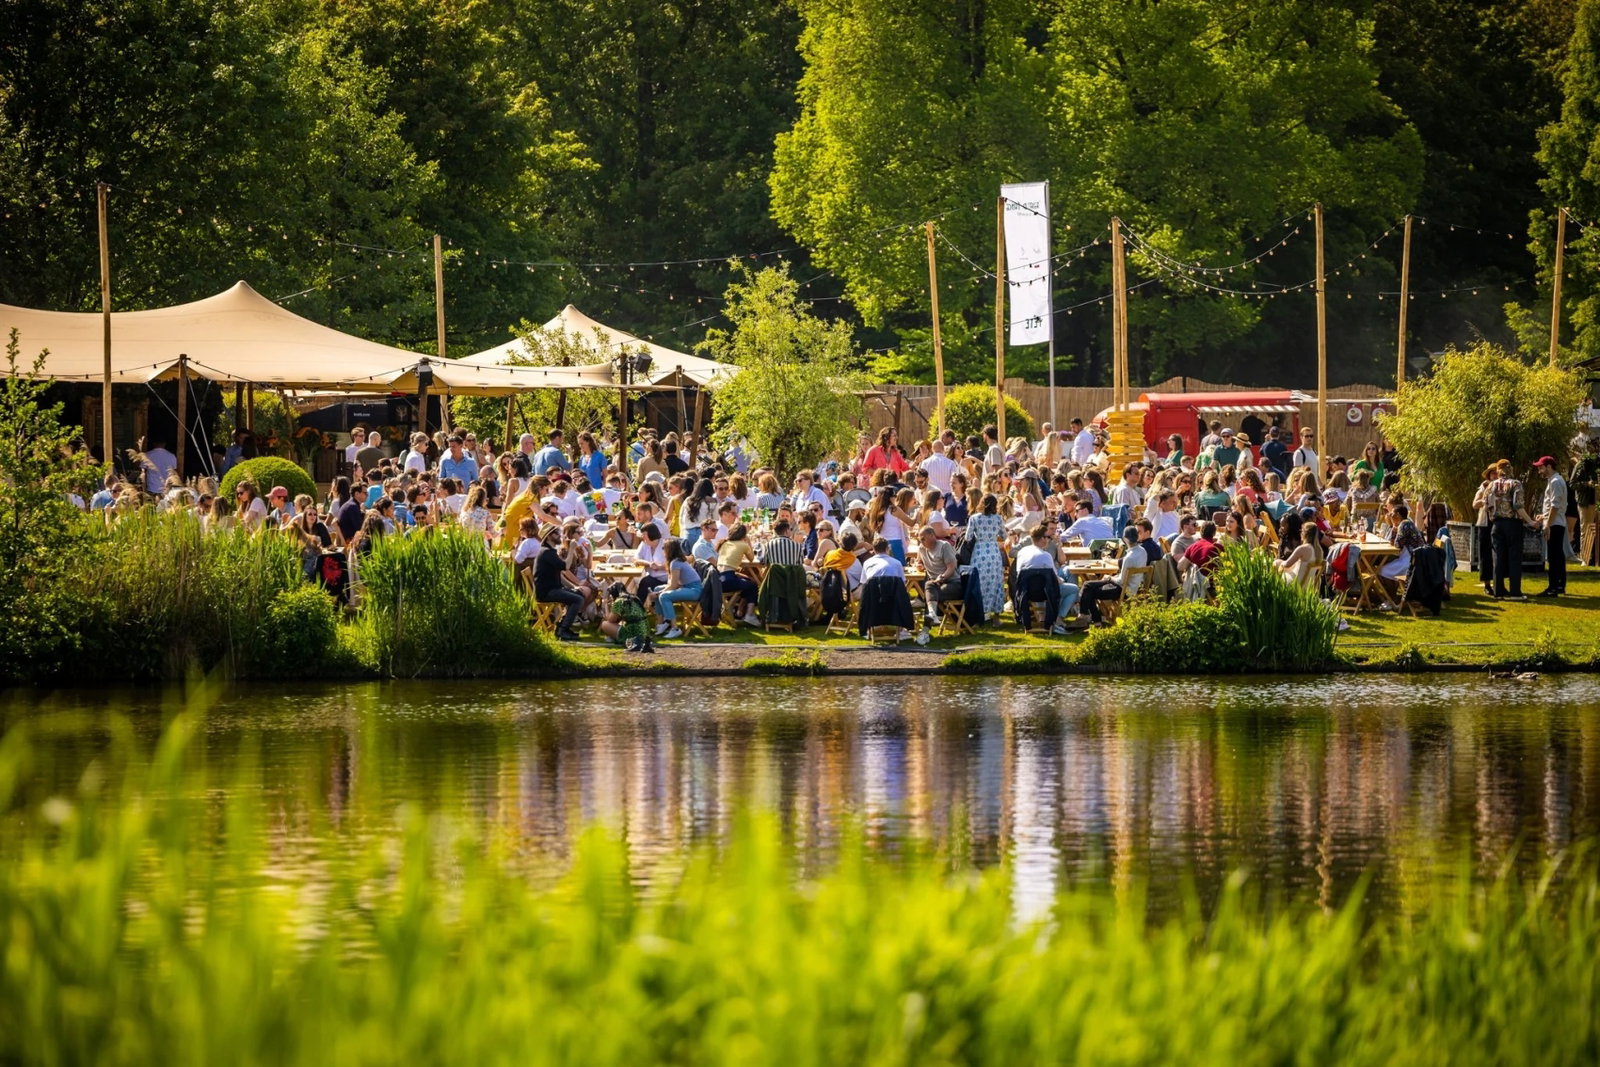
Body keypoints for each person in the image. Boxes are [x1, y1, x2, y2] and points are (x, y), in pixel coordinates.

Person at [1078, 525, 1147, 625]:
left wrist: (1109, 578)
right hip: (1133, 587)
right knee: (1088, 586)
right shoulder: (1142, 552)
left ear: (1124, 539)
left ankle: (1087, 617)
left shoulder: (1129, 558)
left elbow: (1121, 581)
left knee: (1089, 589)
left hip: (1124, 590)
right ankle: (1091, 618)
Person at [1486, 458, 1534, 599]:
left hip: (1497, 524)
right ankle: (1515, 592)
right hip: (1512, 524)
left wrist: (1493, 518)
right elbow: (1518, 506)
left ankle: (1498, 591)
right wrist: (1530, 521)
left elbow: (1487, 504)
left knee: (1498, 558)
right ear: (1510, 469)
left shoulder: (1491, 485)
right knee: (1514, 557)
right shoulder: (1515, 483)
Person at [647, 539, 702, 639]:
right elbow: (671, 584)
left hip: (694, 590)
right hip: (687, 587)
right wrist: (658, 591)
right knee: (657, 588)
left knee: (664, 596)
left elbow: (673, 586)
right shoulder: (675, 561)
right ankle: (661, 623)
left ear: (669, 550)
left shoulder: (675, 563)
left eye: (664, 548)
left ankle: (674, 628)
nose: (662, 550)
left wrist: (658, 593)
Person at [965, 493, 1008, 619]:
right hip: (993, 552)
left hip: (979, 551)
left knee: (979, 582)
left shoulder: (974, 518)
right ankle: (996, 616)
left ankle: (979, 610)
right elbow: (1005, 536)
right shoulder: (998, 519)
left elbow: (968, 537)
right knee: (995, 582)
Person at [1533, 455, 1568, 596]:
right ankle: (1559, 585)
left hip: (1555, 524)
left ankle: (1553, 587)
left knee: (1553, 557)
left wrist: (1547, 524)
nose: (1539, 470)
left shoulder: (1555, 481)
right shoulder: (1554, 481)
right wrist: (1544, 516)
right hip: (1555, 521)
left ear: (1549, 466)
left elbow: (1555, 505)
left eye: (1541, 467)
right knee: (1557, 555)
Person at [1575, 438, 1600, 566]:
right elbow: (1573, 483)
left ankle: (1596, 559)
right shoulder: (1581, 464)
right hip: (1586, 501)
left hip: (1597, 500)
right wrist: (1587, 484)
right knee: (1587, 529)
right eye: (1594, 448)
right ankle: (1585, 558)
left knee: (1595, 529)